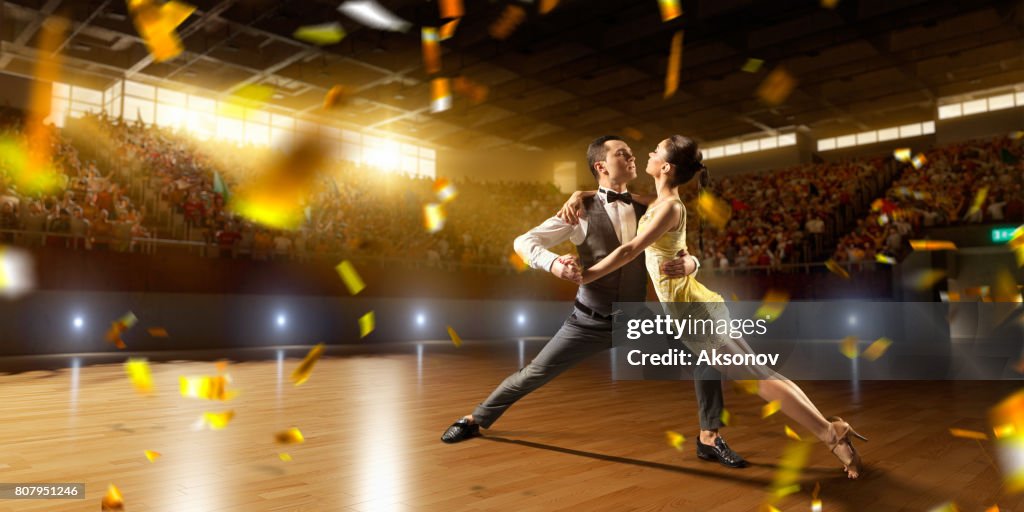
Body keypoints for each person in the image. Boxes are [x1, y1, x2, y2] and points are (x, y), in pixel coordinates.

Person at [564, 135, 867, 478]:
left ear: (665, 167)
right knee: (762, 375)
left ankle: (831, 435)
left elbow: (628, 251)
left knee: (759, 380)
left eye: (655, 151)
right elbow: (619, 197)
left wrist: (586, 276)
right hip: (692, 308)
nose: (647, 153)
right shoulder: (661, 201)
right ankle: (832, 429)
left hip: (694, 313)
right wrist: (581, 194)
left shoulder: (669, 207)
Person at [440, 135, 748, 469]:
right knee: (533, 374)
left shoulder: (651, 207)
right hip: (588, 321)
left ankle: (709, 437)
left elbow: (684, 251)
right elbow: (523, 241)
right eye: (622, 153)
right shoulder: (579, 210)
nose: (632, 156)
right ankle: (475, 418)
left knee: (705, 351)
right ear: (601, 166)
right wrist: (555, 263)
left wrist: (692, 264)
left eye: (632, 152)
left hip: (636, 319)